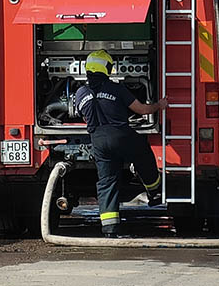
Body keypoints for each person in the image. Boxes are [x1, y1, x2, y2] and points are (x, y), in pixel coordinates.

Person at [72, 49, 168, 238]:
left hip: (98, 141)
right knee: (143, 155)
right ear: (107, 68)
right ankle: (154, 191)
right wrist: (159, 105)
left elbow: (83, 115)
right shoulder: (116, 88)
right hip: (121, 135)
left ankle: (109, 228)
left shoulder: (80, 93)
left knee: (107, 182)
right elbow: (141, 110)